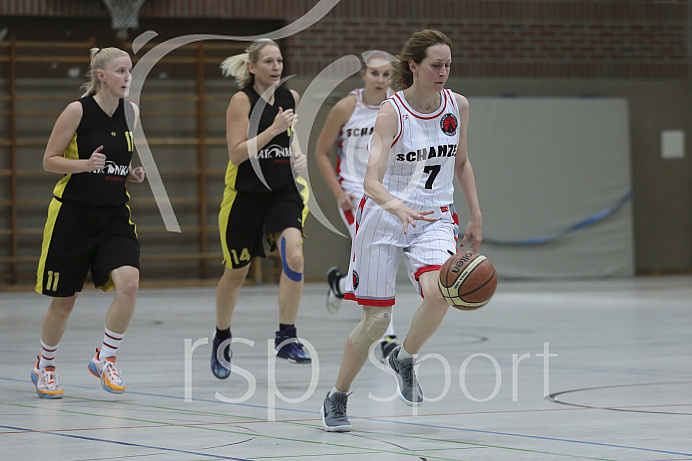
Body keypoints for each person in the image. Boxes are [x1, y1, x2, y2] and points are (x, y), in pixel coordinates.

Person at [321, 29, 483, 432]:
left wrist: (476, 216)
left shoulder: (457, 106)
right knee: (375, 322)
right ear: (414, 66)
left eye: (448, 64)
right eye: (435, 65)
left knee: (441, 293)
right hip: (384, 215)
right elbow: (371, 180)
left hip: (435, 217)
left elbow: (461, 163)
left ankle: (405, 356)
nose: (444, 71)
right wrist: (398, 207)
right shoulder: (392, 112)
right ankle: (338, 396)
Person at [32, 47, 146, 399]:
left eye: (130, 72)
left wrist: (128, 173)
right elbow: (49, 161)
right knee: (64, 302)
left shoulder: (132, 112)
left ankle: (105, 357)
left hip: (113, 215)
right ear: (102, 76)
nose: (128, 78)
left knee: (129, 284)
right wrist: (84, 165)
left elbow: (111, 163)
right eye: (121, 72)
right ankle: (44, 365)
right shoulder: (77, 110)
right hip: (73, 215)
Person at [211, 38, 311, 380]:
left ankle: (286, 335)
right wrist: (273, 130)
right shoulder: (241, 101)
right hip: (246, 195)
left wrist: (297, 152)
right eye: (268, 61)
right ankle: (222, 337)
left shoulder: (290, 97)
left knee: (294, 256)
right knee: (236, 273)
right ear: (252, 67)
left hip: (282, 191)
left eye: (279, 60)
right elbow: (237, 153)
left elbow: (290, 133)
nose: (276, 67)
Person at [315, 50, 400, 360]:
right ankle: (388, 337)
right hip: (354, 193)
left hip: (388, 193)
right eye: (374, 73)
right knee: (376, 257)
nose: (380, 79)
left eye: (386, 74)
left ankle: (341, 284)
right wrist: (338, 192)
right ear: (363, 74)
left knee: (381, 259)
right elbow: (322, 152)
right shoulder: (345, 107)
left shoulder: (399, 107)